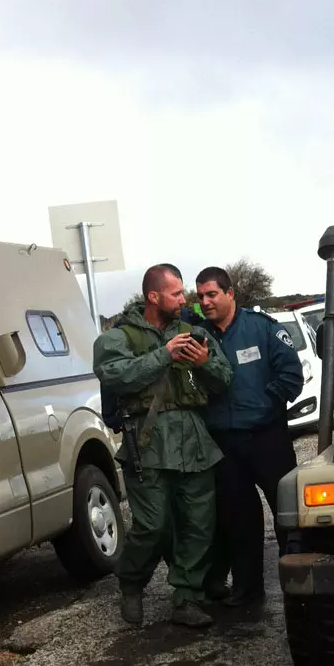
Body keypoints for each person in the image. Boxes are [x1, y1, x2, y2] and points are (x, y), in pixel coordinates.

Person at [93, 263, 233, 628]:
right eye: (176, 293)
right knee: (152, 525)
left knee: (198, 524)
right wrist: (165, 354)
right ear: (153, 297)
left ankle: (187, 597)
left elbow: (224, 378)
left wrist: (203, 364)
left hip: (194, 439)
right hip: (148, 440)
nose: (185, 299)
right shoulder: (117, 338)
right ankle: (132, 581)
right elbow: (116, 375)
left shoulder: (195, 333)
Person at [195, 266, 304, 608]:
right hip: (226, 444)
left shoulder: (263, 329)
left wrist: (262, 407)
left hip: (267, 438)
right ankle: (247, 590)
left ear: (230, 294)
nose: (205, 302)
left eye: (212, 294)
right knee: (238, 522)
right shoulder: (199, 336)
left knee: (288, 516)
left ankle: (299, 585)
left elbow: (291, 377)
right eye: (200, 297)